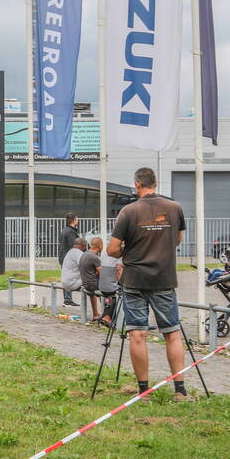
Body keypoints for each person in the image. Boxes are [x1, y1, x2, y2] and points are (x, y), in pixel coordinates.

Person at [108, 167, 189, 400]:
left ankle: (143, 390)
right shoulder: (175, 208)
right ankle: (180, 390)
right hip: (164, 279)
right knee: (172, 333)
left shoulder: (128, 211)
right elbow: (177, 239)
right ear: (155, 183)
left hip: (135, 280)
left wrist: (129, 249)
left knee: (137, 334)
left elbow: (112, 250)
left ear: (137, 184)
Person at [78, 237, 103, 322]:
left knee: (96, 291)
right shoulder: (95, 258)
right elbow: (101, 273)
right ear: (99, 245)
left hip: (85, 283)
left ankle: (95, 314)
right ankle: (108, 315)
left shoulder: (84, 254)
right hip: (93, 284)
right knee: (110, 289)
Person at [58, 213, 80, 305]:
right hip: (68, 258)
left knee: (66, 277)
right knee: (69, 278)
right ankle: (68, 299)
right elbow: (74, 246)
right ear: (73, 221)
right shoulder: (71, 232)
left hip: (63, 257)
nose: (78, 221)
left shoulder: (65, 230)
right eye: (77, 219)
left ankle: (67, 299)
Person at [98, 250, 124, 327]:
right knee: (122, 292)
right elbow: (118, 269)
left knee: (110, 296)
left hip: (101, 286)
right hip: (111, 287)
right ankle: (108, 317)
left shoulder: (105, 254)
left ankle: (105, 316)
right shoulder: (120, 255)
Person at [60, 237, 86, 308]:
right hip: (72, 283)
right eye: (85, 245)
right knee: (93, 283)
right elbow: (85, 266)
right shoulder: (78, 253)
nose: (86, 247)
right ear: (82, 245)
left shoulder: (71, 251)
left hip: (65, 283)